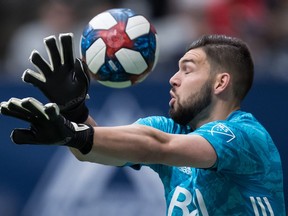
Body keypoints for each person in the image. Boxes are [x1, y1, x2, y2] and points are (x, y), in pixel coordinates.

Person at [0, 33, 285, 215]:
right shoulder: (171, 129)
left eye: (187, 69)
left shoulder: (246, 135)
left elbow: (155, 146)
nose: (174, 79)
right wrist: (74, 113)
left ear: (221, 82)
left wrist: (74, 134)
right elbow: (97, 147)